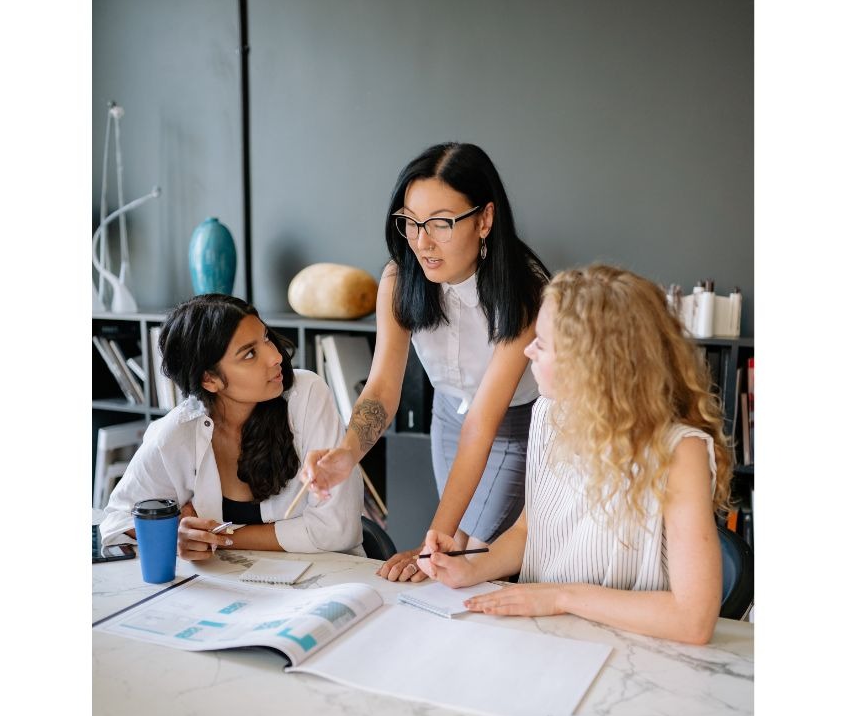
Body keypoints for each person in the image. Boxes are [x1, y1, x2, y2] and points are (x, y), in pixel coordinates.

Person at [419, 265, 734, 645]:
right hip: (548, 638)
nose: (527, 350)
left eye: (542, 344)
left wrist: (560, 597)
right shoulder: (548, 414)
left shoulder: (680, 452)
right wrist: (471, 568)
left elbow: (693, 621)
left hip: (636, 648)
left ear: (589, 364)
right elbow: (528, 532)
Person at [302, 142, 550, 583]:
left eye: (440, 223)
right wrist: (346, 454)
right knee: (452, 557)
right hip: (448, 417)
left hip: (514, 424)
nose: (422, 242)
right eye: (412, 222)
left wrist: (432, 541)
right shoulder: (400, 279)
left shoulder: (524, 290)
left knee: (469, 556)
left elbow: (484, 422)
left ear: (485, 219)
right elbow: (382, 388)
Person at [99, 294, 361, 561]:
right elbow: (116, 520)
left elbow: (336, 530)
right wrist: (175, 533)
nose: (275, 356)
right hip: (229, 582)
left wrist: (219, 538)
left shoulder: (306, 395)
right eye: (249, 354)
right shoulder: (178, 432)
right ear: (209, 379)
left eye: (266, 338)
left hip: (329, 576)